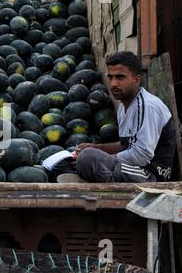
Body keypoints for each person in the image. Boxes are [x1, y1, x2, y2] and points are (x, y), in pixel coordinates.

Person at [74, 51, 176, 183]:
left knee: (88, 158)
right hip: (132, 168)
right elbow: (125, 145)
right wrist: (96, 147)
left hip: (151, 175)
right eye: (110, 77)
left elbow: (141, 155)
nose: (113, 84)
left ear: (136, 79)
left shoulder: (148, 106)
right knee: (79, 158)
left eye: (120, 77)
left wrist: (105, 158)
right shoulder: (123, 106)